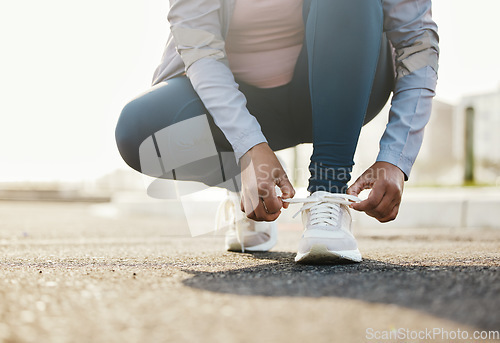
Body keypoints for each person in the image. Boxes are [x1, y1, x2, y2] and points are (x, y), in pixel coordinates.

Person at [115, 0, 439, 263]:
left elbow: (417, 43)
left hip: (335, 94)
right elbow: (201, 52)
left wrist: (396, 157)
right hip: (231, 102)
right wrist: (248, 146)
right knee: (139, 132)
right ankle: (253, 189)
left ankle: (328, 193)